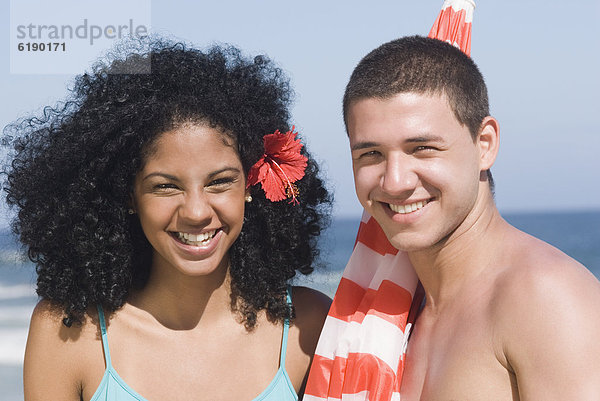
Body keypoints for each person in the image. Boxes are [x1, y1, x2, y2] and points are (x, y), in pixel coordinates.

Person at [2, 38, 332, 401]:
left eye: (220, 182)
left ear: (250, 186)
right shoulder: (68, 332)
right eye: (166, 187)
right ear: (129, 196)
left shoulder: (310, 325)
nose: (196, 211)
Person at [308, 35, 600, 400]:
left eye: (422, 149)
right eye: (371, 154)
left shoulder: (544, 298)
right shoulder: (385, 312)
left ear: (485, 144)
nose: (395, 181)